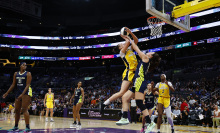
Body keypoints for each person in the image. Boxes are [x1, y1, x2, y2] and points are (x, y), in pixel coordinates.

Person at [117, 36, 161, 133]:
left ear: (151, 56)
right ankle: (124, 117)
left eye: (151, 52)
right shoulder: (146, 60)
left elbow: (136, 49)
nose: (149, 52)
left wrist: (129, 39)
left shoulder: (145, 58)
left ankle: (150, 123)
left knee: (139, 102)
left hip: (140, 81)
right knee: (124, 97)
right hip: (137, 81)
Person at [102, 27, 138, 118]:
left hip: (135, 73)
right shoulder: (122, 53)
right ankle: (104, 104)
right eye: (121, 44)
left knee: (130, 94)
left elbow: (136, 40)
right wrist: (125, 36)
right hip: (129, 72)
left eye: (122, 43)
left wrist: (131, 33)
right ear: (120, 48)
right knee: (122, 93)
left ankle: (122, 112)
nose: (122, 44)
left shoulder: (129, 49)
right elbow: (128, 42)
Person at [2, 62, 32, 132]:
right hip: (18, 92)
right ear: (20, 66)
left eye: (26, 65)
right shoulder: (16, 73)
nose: (25, 66)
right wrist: (7, 93)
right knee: (17, 110)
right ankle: (16, 127)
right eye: (23, 65)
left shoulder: (28, 73)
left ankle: (28, 128)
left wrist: (22, 94)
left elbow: (27, 85)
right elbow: (13, 85)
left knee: (24, 109)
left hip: (26, 92)